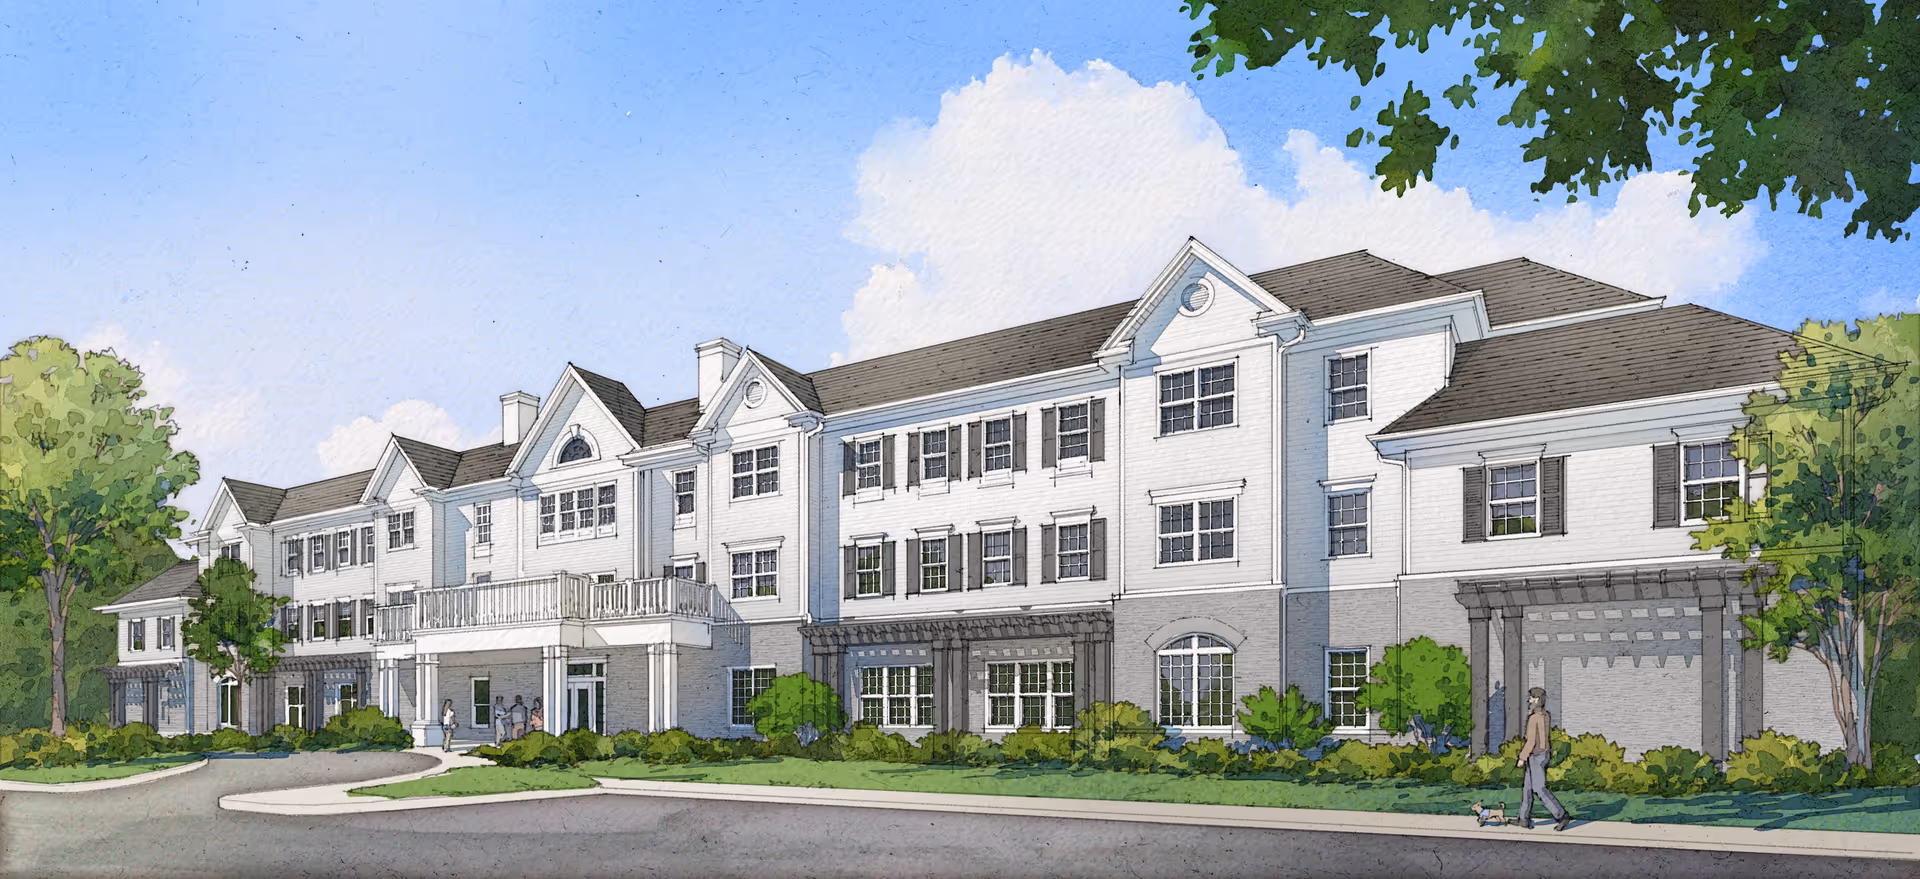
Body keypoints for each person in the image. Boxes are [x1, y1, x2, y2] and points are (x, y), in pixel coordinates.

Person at [1513, 686, 1574, 831]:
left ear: (1538, 699)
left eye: (1532, 698)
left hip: (1536, 756)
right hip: (1543, 754)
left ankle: (1562, 815)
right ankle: (1523, 819)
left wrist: (1522, 757)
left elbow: (1531, 741)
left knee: (1539, 788)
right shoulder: (1545, 715)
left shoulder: (1534, 718)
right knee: (1527, 788)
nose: (1529, 700)